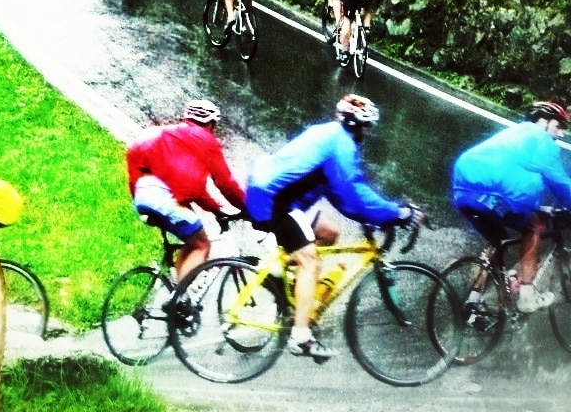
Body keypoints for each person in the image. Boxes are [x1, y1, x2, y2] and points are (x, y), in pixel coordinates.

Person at [245, 94, 421, 361]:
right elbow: (354, 193)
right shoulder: (341, 144)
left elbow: (340, 196)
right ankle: (301, 338)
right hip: (275, 201)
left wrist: (375, 216)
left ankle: (281, 278)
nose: (366, 133)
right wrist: (397, 213)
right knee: (311, 262)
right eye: (365, 127)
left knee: (329, 233)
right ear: (356, 125)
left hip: (280, 195)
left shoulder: (330, 133)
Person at [451, 101, 571, 314]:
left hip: (463, 190)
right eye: (558, 126)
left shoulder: (515, 134)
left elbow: (513, 177)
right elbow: (559, 182)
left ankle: (473, 300)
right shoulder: (542, 139)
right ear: (542, 121)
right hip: (493, 194)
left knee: (498, 241)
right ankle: (526, 296)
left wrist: (537, 206)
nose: (561, 133)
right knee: (534, 226)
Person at [127, 99, 246, 279]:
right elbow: (226, 184)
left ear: (187, 117)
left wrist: (216, 209)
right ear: (211, 123)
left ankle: (177, 288)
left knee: (191, 240)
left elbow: (194, 190)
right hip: (166, 200)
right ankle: (180, 294)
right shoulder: (207, 141)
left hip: (142, 194)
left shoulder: (163, 135)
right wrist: (247, 208)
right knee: (202, 245)